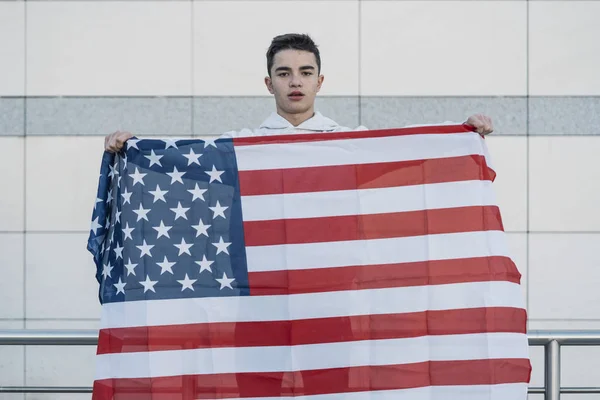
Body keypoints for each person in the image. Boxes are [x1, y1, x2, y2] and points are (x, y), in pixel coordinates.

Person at [104, 33, 493, 152]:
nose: (295, 81)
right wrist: (132, 147)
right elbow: (182, 160)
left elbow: (408, 146)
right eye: (284, 73)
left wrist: (460, 133)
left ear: (319, 82)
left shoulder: (347, 142)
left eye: (306, 72)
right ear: (268, 83)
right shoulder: (240, 146)